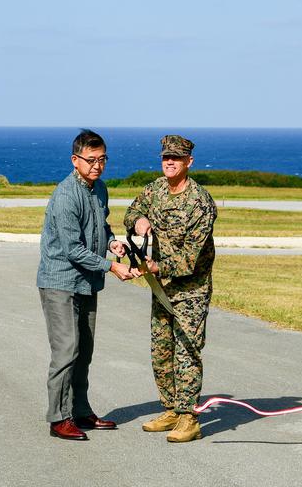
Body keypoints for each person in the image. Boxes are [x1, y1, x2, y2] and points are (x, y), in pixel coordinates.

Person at [37, 129, 139, 441]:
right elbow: (72, 249)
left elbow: (101, 226)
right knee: (67, 350)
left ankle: (80, 411)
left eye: (102, 159)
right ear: (75, 160)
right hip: (61, 282)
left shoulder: (100, 189)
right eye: (91, 160)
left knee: (85, 352)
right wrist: (112, 266)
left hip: (87, 282)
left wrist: (113, 245)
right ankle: (59, 418)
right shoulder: (67, 195)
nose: (97, 165)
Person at [123, 135, 217, 443]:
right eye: (166, 157)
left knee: (186, 350)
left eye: (176, 158)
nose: (169, 162)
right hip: (160, 286)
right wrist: (138, 222)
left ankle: (189, 417)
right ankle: (172, 410)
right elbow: (131, 211)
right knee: (161, 350)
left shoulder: (200, 203)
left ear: (189, 162)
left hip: (190, 289)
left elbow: (190, 258)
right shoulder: (154, 190)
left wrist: (155, 267)